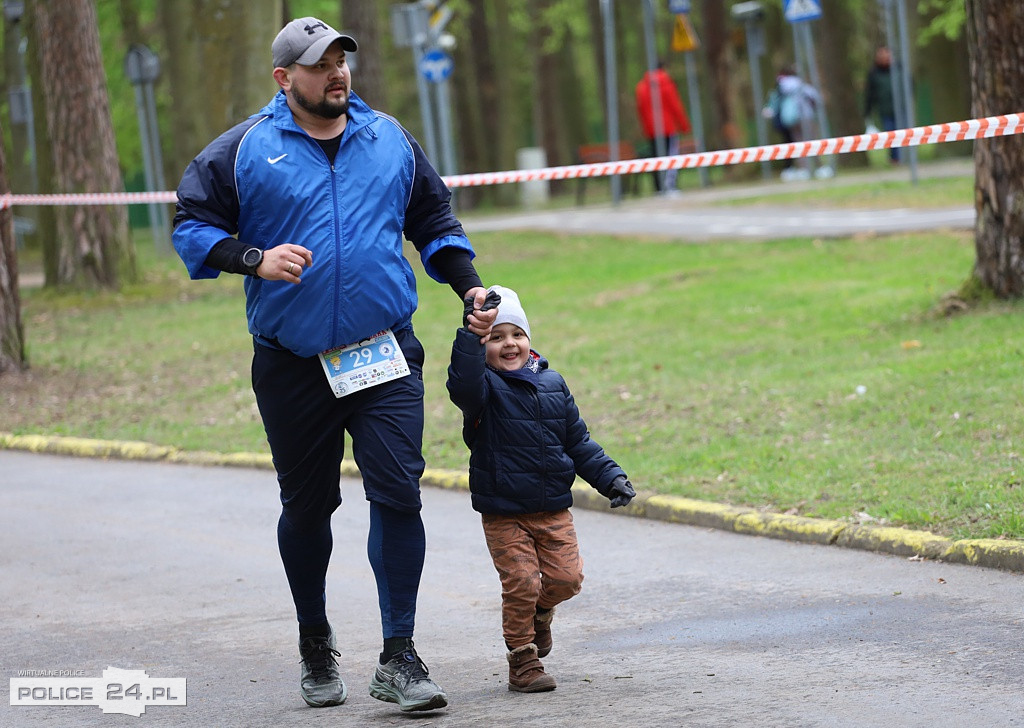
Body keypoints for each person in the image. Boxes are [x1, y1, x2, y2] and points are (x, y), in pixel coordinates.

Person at [171, 16, 497, 714]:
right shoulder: (245, 150)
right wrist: (254, 258)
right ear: (285, 79)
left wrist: (468, 284)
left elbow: (435, 225)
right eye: (319, 65)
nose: (336, 73)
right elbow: (192, 226)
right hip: (292, 363)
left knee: (399, 492)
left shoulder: (390, 141)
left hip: (383, 352)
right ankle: (315, 639)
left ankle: (400, 655)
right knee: (309, 506)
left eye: (342, 60)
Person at [446, 285, 636, 693]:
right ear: (484, 346)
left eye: (516, 334)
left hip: (552, 509)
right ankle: (523, 660)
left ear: (529, 339)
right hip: (504, 511)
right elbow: (461, 383)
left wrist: (610, 477)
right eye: (495, 338)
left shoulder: (553, 384)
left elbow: (578, 441)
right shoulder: (482, 390)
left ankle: (541, 614)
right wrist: (470, 335)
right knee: (522, 583)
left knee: (567, 579)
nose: (508, 344)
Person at [634, 62, 692, 196]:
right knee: (670, 156)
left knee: (656, 157)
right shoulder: (666, 84)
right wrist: (684, 126)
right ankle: (669, 186)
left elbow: (641, 110)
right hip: (668, 127)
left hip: (651, 130)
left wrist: (646, 128)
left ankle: (658, 188)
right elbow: (675, 106)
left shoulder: (641, 87)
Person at [763, 65, 821, 181]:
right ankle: (819, 168)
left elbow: (775, 99)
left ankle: (804, 169)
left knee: (798, 143)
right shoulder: (800, 83)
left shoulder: (781, 85)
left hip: (791, 118)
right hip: (806, 115)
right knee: (812, 141)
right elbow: (814, 96)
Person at [864, 46, 900, 164]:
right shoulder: (874, 74)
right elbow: (870, 94)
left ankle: (903, 157)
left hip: (900, 109)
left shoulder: (898, 69)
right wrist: (868, 111)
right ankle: (895, 158)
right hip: (885, 110)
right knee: (890, 134)